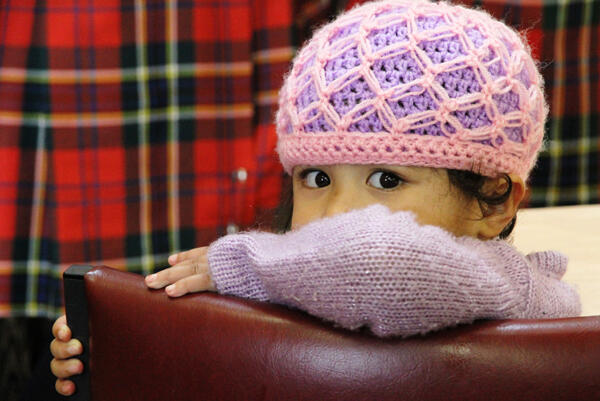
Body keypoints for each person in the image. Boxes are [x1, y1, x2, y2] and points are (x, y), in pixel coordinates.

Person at [49, 0, 581, 395]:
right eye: (318, 179)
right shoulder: (296, 276)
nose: (338, 212)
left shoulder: (504, 284)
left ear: (494, 203)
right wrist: (130, 343)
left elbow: (379, 262)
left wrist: (239, 265)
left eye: (386, 180)